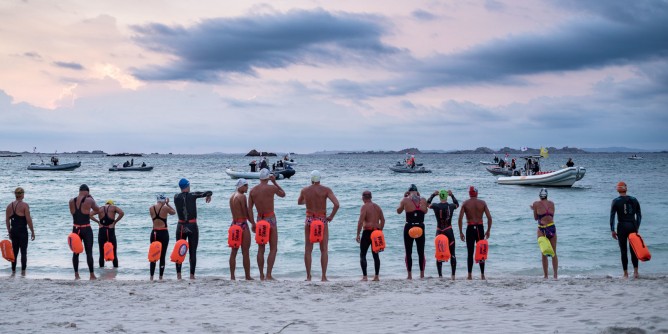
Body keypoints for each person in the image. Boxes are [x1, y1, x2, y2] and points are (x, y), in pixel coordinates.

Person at [297, 170, 340, 281]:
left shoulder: (305, 190)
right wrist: (331, 217)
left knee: (308, 249)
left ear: (311, 179)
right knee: (324, 249)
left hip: (309, 219)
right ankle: (323, 276)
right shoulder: (326, 190)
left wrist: (309, 201)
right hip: (322, 219)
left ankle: (308, 276)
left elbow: (299, 202)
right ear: (320, 179)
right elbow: (336, 204)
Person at [248, 169, 286, 280]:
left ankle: (261, 275)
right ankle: (269, 275)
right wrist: (275, 182)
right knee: (273, 248)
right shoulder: (272, 188)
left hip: (260, 219)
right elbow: (283, 194)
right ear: (268, 177)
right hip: (271, 219)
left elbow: (249, 208)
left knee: (261, 249)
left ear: (260, 178)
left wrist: (253, 223)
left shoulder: (253, 191)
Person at [173, 178, 212, 280]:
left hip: (180, 226)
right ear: (188, 186)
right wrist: (208, 195)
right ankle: (192, 275)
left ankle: (179, 275)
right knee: (193, 251)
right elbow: (207, 192)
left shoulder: (175, 197)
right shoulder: (192, 195)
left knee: (179, 251)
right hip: (192, 226)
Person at [457, 186, 492, 280]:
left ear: (469, 193)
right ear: (476, 193)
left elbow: (460, 218)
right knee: (481, 252)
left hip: (470, 228)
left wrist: (460, 232)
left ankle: (469, 275)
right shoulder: (482, 203)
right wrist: (488, 230)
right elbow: (489, 218)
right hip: (480, 228)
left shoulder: (465, 203)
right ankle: (482, 275)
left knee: (470, 252)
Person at [610, 181, 642, 279]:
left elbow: (612, 217)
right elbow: (639, 215)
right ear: (626, 189)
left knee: (623, 251)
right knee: (634, 250)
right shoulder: (634, 199)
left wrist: (612, 229)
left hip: (622, 227)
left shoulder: (615, 201)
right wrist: (637, 226)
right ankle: (636, 272)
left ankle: (625, 274)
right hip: (632, 226)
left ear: (617, 190)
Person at [397, 184, 428, 280]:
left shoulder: (405, 200)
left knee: (408, 252)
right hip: (420, 226)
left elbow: (398, 211)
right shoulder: (423, 199)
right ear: (417, 191)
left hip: (409, 226)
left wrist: (404, 197)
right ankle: (422, 274)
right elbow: (425, 211)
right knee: (421, 252)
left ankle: (409, 275)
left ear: (408, 191)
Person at [69, 184, 100, 280]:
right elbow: (98, 210)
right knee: (89, 252)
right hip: (86, 229)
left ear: (79, 191)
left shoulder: (71, 201)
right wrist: (92, 199)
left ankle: (76, 275)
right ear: (87, 191)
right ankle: (91, 275)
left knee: (75, 252)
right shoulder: (89, 200)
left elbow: (73, 214)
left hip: (75, 229)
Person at [427, 189, 459, 280]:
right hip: (449, 231)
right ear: (446, 197)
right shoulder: (451, 206)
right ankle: (453, 276)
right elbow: (457, 204)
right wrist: (452, 195)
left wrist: (433, 194)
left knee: (439, 253)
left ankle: (440, 276)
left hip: (439, 231)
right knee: (453, 254)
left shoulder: (436, 206)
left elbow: (427, 204)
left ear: (440, 196)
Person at [229, 178, 255, 280]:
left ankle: (232, 276)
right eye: (246, 185)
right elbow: (246, 213)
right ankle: (247, 276)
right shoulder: (242, 196)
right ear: (241, 186)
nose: (247, 187)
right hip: (242, 225)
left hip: (234, 224)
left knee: (234, 252)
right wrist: (253, 223)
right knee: (245, 252)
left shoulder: (231, 196)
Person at [5, 187, 35, 276]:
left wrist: (9, 231)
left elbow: (7, 220)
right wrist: (32, 232)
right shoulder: (25, 205)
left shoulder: (9, 206)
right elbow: (28, 220)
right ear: (22, 195)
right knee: (23, 252)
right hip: (22, 231)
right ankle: (23, 272)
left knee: (14, 252)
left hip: (14, 231)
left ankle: (13, 271)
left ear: (15, 195)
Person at [356, 190, 385, 281]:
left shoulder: (364, 207)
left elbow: (361, 221)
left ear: (363, 198)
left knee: (363, 254)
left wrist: (358, 234)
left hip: (367, 232)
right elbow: (383, 220)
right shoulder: (377, 207)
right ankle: (376, 276)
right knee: (375, 255)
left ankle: (365, 277)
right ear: (371, 197)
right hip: (376, 232)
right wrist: (380, 231)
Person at [530, 188, 558, 279]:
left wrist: (533, 209)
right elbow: (551, 215)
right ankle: (555, 275)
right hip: (551, 228)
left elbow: (535, 218)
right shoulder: (552, 204)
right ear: (547, 195)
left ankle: (546, 276)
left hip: (542, 229)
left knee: (544, 253)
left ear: (539, 195)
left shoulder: (536, 204)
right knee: (554, 253)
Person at [91, 199, 124, 268]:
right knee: (114, 252)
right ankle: (115, 270)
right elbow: (121, 213)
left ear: (106, 203)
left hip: (102, 230)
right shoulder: (113, 207)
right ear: (111, 204)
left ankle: (101, 271)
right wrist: (115, 222)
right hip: (111, 230)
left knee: (101, 253)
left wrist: (98, 222)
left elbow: (90, 214)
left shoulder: (100, 208)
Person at [149, 194, 175, 281]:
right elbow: (173, 212)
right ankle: (160, 277)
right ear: (163, 200)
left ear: (157, 200)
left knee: (153, 255)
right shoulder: (165, 208)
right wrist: (167, 204)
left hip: (154, 233)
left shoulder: (151, 208)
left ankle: (151, 277)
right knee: (162, 256)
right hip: (163, 233)